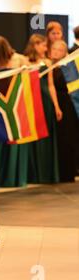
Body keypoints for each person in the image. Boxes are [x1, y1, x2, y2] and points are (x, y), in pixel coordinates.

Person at [0, 35, 29, 187]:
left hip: (15, 106)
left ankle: (15, 177)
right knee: (0, 142)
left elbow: (26, 80)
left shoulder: (19, 59)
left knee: (15, 139)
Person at [24, 34, 61, 183]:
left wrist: (56, 106)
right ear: (35, 45)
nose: (46, 48)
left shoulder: (47, 62)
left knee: (47, 134)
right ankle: (35, 174)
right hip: (32, 100)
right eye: (43, 45)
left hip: (46, 100)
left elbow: (51, 84)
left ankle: (47, 173)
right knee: (34, 133)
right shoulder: (25, 61)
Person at [50, 40, 79, 182]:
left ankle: (69, 172)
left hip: (67, 106)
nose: (56, 51)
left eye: (59, 49)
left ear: (64, 52)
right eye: (54, 48)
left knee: (68, 138)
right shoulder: (47, 66)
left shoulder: (69, 67)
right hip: (53, 106)